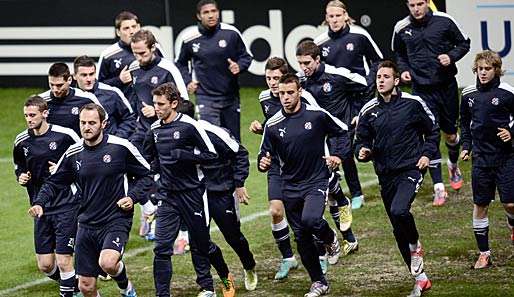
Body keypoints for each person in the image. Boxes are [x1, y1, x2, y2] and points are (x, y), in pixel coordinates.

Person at [28, 103, 155, 297]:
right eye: (83, 122)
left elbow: (147, 175)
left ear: (103, 123)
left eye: (92, 123)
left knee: (108, 262)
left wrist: (132, 197)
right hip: (86, 223)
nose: (86, 127)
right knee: (85, 286)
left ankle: (126, 288)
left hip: (116, 219)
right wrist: (39, 202)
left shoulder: (120, 147)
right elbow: (53, 183)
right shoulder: (73, 152)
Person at [258, 74, 347, 297]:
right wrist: (263, 162)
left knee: (311, 220)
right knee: (301, 238)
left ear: (299, 92)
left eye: (290, 92)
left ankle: (330, 238)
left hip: (316, 180)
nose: (285, 97)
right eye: (281, 93)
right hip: (290, 186)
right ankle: (319, 282)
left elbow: (342, 131)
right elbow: (264, 154)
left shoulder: (316, 116)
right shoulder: (272, 124)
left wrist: (337, 154)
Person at [355, 60, 439, 297]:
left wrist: (426, 154)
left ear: (396, 80)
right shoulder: (368, 110)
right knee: (396, 227)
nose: (380, 80)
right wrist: (363, 152)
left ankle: (416, 248)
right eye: (378, 77)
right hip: (385, 175)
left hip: (410, 169)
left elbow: (433, 129)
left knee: (400, 210)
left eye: (385, 76)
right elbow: (360, 141)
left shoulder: (413, 104)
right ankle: (420, 279)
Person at [143, 83, 220, 297]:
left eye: (161, 104)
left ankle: (209, 286)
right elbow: (149, 158)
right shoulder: (155, 129)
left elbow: (212, 155)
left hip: (192, 194)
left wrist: (185, 156)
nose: (156, 108)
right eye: (155, 103)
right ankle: (162, 294)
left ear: (174, 104)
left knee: (200, 244)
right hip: (167, 196)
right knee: (161, 249)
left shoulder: (189, 126)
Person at [392, 0, 471, 206]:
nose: (416, 9)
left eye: (420, 3)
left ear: (427, 3)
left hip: (446, 87)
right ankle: (439, 188)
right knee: (430, 133)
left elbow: (464, 43)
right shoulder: (401, 27)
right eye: (411, 5)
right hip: (421, 90)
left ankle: (453, 165)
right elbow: (399, 53)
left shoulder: (445, 21)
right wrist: (404, 70)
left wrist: (451, 56)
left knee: (451, 135)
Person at [178, 99, 258, 291]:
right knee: (198, 242)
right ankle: (221, 279)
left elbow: (239, 153)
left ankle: (249, 266)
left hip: (219, 193)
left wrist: (239, 184)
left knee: (233, 236)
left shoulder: (214, 133)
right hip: (194, 196)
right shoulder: (172, 135)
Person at [296, 41, 363, 255]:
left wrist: (357, 112)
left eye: (307, 63)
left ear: (318, 59)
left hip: (337, 136)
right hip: (315, 139)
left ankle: (327, 244)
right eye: (300, 63)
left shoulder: (336, 74)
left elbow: (363, 84)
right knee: (325, 190)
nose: (303, 67)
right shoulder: (301, 82)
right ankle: (348, 238)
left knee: (322, 184)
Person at [314, 0, 383, 208]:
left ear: (345, 15)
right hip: (338, 101)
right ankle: (356, 193)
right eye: (330, 16)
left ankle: (385, 178)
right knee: (345, 146)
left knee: (372, 138)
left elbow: (377, 61)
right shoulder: (320, 42)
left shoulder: (359, 35)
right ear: (326, 18)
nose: (334, 20)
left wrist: (370, 85)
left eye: (338, 16)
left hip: (361, 96)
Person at [13, 96, 80, 297]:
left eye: (33, 115)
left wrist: (64, 170)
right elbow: (19, 166)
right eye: (26, 115)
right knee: (46, 265)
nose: (29, 119)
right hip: (39, 208)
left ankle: (69, 291)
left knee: (63, 260)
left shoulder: (65, 136)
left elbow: (83, 158)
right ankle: (75, 285)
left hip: (66, 204)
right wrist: (21, 176)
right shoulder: (21, 140)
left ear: (45, 113)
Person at [460, 50, 514, 269]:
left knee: (510, 203)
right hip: (481, 159)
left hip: (505, 157)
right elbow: (464, 123)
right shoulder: (468, 94)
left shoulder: (507, 93)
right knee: (480, 205)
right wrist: (466, 146)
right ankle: (484, 253)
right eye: (480, 69)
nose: (482, 73)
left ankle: (512, 223)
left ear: (496, 70)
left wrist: (512, 134)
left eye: (487, 69)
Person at [175, 0, 253, 141]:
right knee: (212, 140)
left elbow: (246, 57)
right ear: (199, 16)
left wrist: (239, 66)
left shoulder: (231, 33)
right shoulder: (189, 39)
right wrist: (188, 81)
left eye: (214, 11)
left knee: (234, 142)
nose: (211, 15)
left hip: (230, 96)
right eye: (206, 12)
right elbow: (180, 63)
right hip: (205, 97)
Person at [128, 29, 189, 150]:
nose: (139, 58)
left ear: (153, 47)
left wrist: (157, 111)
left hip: (167, 131)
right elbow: (136, 100)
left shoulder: (168, 69)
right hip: (142, 131)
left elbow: (186, 105)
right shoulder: (133, 68)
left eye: (143, 53)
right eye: (135, 54)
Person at [96, 11, 164, 96]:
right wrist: (119, 80)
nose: (131, 31)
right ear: (118, 32)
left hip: (152, 103)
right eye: (126, 28)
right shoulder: (108, 55)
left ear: (139, 27)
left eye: (134, 27)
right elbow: (98, 85)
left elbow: (165, 72)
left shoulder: (153, 47)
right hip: (123, 105)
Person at [74, 55, 136, 139]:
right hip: (80, 148)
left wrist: (116, 139)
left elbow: (130, 118)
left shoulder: (112, 93)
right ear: (74, 76)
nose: (88, 79)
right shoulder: (70, 96)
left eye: (91, 74)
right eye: (84, 75)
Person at [39, 62, 104, 135]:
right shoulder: (41, 101)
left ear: (69, 80)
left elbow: (103, 120)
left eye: (59, 85)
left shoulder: (87, 98)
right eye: (51, 84)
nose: (55, 89)